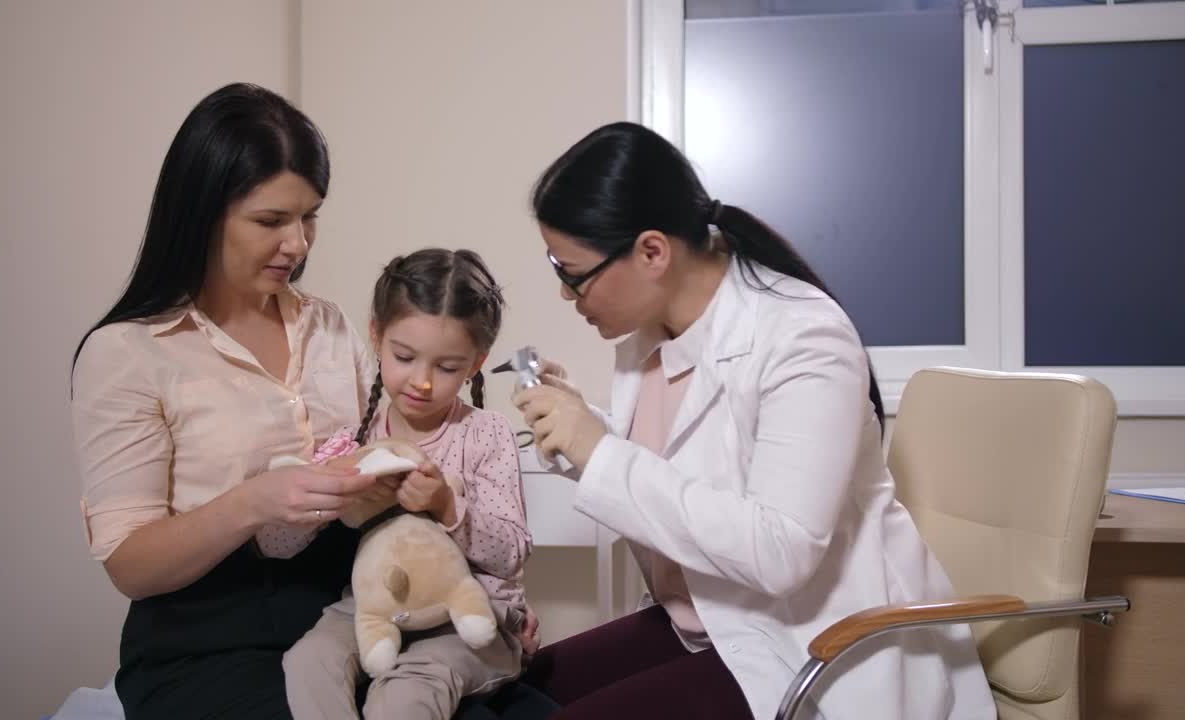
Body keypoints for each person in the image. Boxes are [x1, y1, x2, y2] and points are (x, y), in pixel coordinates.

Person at [71, 84, 544, 720]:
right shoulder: (128, 352)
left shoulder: (328, 327)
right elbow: (131, 566)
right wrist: (252, 503)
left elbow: (386, 477)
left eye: (310, 216)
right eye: (271, 221)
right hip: (210, 643)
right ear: (203, 212)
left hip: (354, 612)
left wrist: (477, 594)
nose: (299, 244)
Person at [512, 122, 996, 720]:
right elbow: (695, 465)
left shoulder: (804, 336)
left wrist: (600, 453)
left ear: (652, 252)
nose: (566, 294)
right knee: (509, 694)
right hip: (712, 621)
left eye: (572, 272)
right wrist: (586, 431)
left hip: (811, 645)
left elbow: (780, 549)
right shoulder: (655, 336)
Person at [275, 248, 532, 720]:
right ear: (376, 334)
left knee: (405, 691)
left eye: (447, 367)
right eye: (405, 356)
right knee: (308, 662)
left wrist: (446, 506)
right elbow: (282, 541)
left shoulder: (485, 434)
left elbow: (512, 552)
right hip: (376, 608)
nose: (422, 382)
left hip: (467, 617)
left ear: (477, 362)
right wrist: (328, 497)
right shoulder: (355, 438)